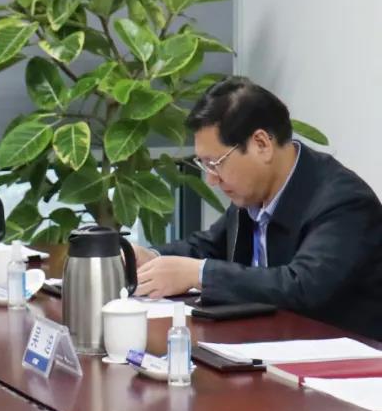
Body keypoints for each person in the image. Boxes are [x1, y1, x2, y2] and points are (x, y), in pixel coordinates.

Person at [134, 76, 382, 339]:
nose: (211, 179)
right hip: (266, 346)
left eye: (215, 163)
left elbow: (302, 286)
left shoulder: (343, 201)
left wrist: (199, 274)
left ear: (262, 144)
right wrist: (151, 258)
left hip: (341, 357)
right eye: (204, 164)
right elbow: (208, 246)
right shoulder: (254, 194)